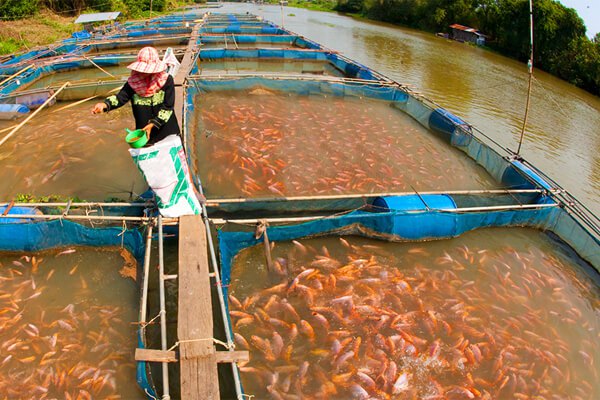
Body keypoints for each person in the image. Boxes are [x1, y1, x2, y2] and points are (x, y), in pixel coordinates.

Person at [91, 46, 180, 147]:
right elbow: (120, 98)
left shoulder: (166, 81)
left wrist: (152, 125)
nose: (144, 73)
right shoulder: (133, 83)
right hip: (144, 136)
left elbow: (168, 107)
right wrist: (105, 104)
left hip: (167, 131)